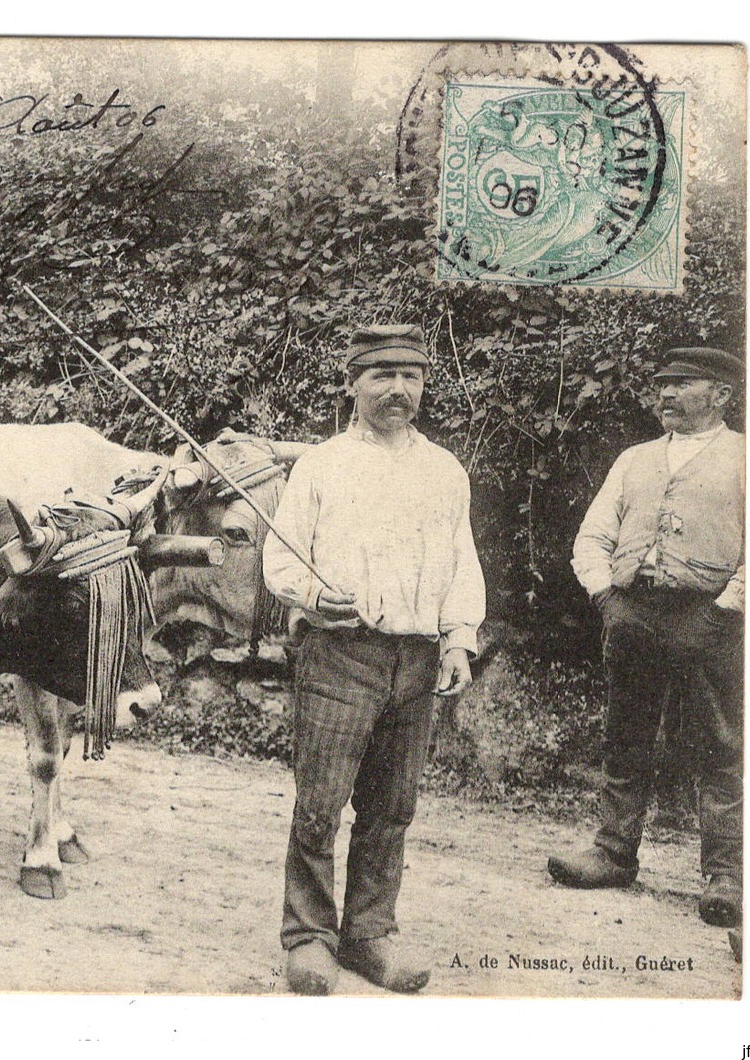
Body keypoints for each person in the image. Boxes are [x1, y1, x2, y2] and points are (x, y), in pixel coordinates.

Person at [262, 324, 485, 995]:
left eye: (409, 377)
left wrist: (458, 638)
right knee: (320, 803)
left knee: (392, 807)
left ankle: (368, 935)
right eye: (381, 376)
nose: (396, 390)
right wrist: (308, 594)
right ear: (351, 383)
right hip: (339, 653)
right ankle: (307, 937)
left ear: (423, 385)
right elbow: (278, 559)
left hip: (415, 659)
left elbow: (462, 562)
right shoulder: (321, 465)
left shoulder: (443, 470)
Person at [548, 347, 745, 928]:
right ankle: (612, 852)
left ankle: (726, 874)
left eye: (682, 384)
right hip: (633, 614)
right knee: (625, 734)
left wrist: (724, 611)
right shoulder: (634, 460)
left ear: (722, 395)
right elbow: (592, 537)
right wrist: (607, 600)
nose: (666, 393)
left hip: (710, 621)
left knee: (719, 744)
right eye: (662, 383)